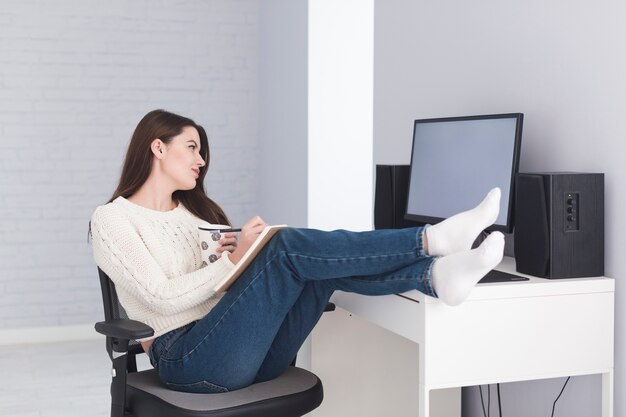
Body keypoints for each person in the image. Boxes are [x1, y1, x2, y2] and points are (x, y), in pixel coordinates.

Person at [89, 109, 505, 394]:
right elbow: (159, 296)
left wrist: (238, 263)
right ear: (157, 148)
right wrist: (236, 262)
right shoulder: (111, 220)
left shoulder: (195, 214)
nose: (201, 160)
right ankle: (431, 241)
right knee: (285, 246)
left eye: (201, 150)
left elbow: (221, 296)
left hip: (246, 352)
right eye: (192, 147)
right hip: (185, 358)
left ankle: (433, 277)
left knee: (309, 264)